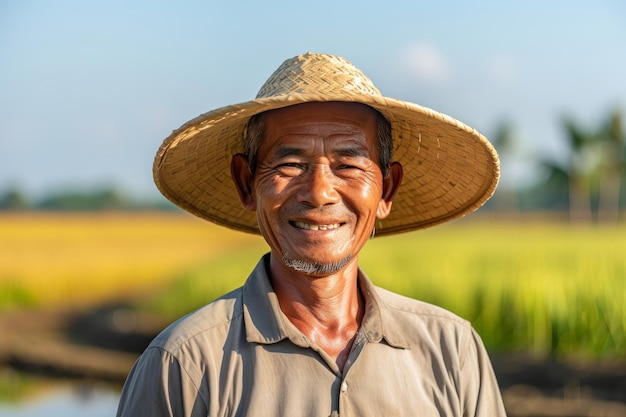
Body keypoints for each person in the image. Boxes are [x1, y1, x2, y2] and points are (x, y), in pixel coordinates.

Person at [116, 52, 507, 416]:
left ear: (387, 189)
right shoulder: (185, 364)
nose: (319, 192)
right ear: (246, 183)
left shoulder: (451, 348)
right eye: (290, 163)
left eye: (348, 165)